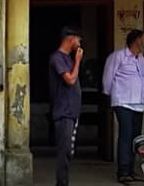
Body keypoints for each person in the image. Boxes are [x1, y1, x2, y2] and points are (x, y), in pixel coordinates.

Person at [102, 29, 144, 183]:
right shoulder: (118, 56)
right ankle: (123, 172)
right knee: (126, 136)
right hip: (123, 102)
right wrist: (109, 97)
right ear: (137, 41)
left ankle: (131, 170)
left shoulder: (141, 59)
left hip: (138, 104)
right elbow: (107, 78)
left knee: (135, 139)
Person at [50, 27, 83, 186]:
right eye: (78, 40)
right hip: (64, 112)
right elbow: (70, 79)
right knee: (64, 153)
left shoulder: (68, 58)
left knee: (68, 152)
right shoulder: (57, 58)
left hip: (71, 112)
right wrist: (78, 61)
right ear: (71, 38)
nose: (79, 44)